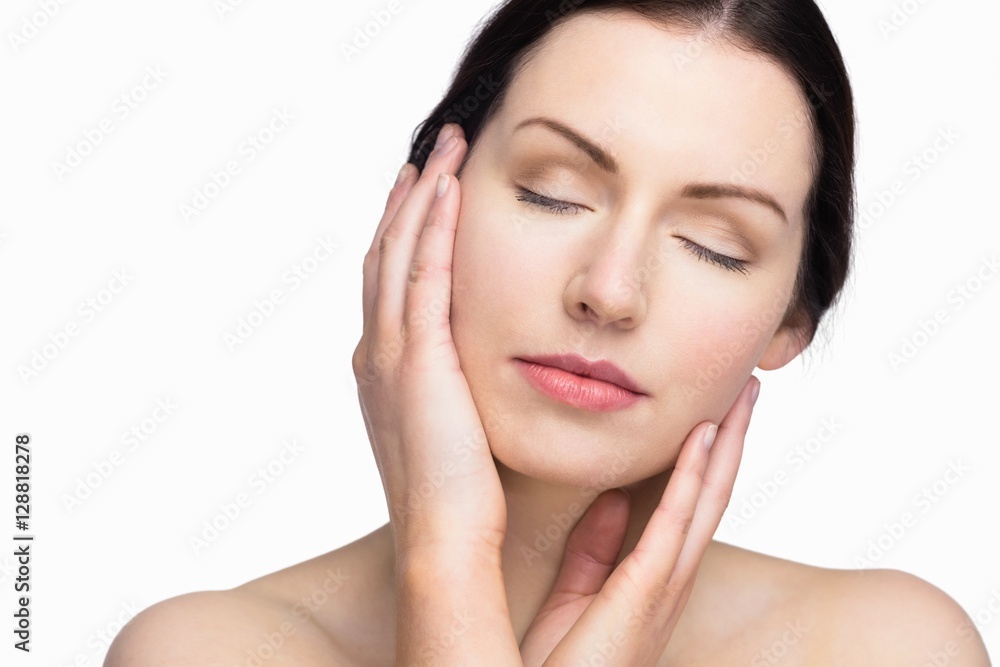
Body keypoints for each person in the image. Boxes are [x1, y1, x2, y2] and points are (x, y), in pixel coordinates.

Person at [105, 1, 992, 665]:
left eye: (714, 243)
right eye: (551, 192)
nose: (609, 290)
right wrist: (447, 568)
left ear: (792, 319)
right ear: (422, 208)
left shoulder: (887, 647)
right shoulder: (204, 651)